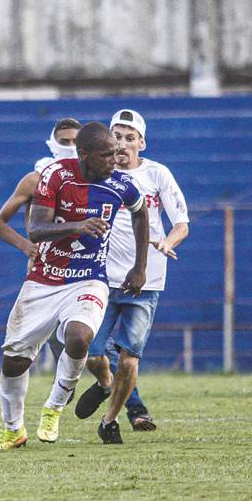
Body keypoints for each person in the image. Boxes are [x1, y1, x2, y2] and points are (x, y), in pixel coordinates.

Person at [0, 122, 148, 450]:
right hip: (44, 278)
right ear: (83, 154)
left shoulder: (122, 185)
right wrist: (78, 226)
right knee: (15, 359)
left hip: (89, 277)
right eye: (106, 155)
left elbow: (140, 214)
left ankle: (55, 406)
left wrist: (139, 268)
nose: (114, 160)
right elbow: (36, 229)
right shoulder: (56, 176)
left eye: (116, 153)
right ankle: (13, 430)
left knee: (79, 336)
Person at [74, 109, 190, 440]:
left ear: (142, 142)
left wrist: (167, 242)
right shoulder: (99, 174)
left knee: (128, 359)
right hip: (101, 277)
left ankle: (110, 419)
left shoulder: (158, 174)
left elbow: (181, 222)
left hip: (146, 280)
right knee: (92, 354)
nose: (123, 144)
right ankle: (106, 384)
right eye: (117, 136)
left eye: (130, 137)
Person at [0, 118, 81, 370]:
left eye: (75, 141)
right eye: (64, 142)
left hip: (83, 266)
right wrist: (25, 246)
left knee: (83, 338)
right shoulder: (36, 179)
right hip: (44, 268)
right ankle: (61, 386)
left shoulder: (93, 179)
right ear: (53, 143)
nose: (70, 147)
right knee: (49, 337)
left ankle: (99, 381)